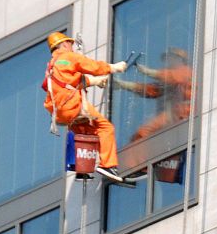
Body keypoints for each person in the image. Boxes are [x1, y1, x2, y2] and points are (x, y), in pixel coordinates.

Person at [42, 32, 144, 185]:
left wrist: (96, 81)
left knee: (88, 132)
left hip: (60, 113)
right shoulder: (69, 57)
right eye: (70, 44)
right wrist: (114, 68)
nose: (72, 47)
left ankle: (86, 167)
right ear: (64, 44)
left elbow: (69, 83)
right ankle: (108, 166)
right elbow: (92, 66)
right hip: (73, 106)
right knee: (105, 128)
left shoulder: (52, 66)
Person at [112, 48, 194, 144]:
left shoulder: (186, 72)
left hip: (183, 111)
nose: (167, 61)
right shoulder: (170, 80)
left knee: (147, 131)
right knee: (142, 133)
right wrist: (124, 84)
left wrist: (146, 71)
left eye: (169, 58)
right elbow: (152, 90)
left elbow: (171, 76)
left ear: (179, 59)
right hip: (174, 114)